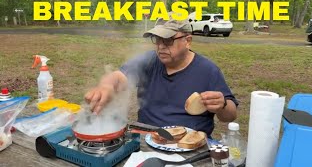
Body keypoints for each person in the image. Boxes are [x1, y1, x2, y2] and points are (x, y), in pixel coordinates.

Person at [85, 13, 238, 136]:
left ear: (188, 41)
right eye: (157, 39)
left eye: (168, 40)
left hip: (189, 143)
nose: (160, 46)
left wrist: (222, 105)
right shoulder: (149, 60)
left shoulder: (208, 70)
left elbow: (229, 116)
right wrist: (105, 86)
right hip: (147, 136)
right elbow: (118, 76)